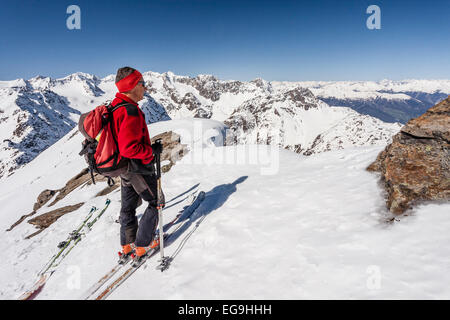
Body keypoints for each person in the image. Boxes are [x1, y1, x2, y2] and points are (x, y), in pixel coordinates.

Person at [109, 66, 164, 263]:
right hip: (137, 167)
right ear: (132, 85)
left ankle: (127, 244)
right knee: (155, 201)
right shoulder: (130, 111)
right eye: (142, 84)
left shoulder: (116, 106)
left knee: (128, 206)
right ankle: (143, 244)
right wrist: (151, 151)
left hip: (124, 169)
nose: (145, 88)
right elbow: (129, 148)